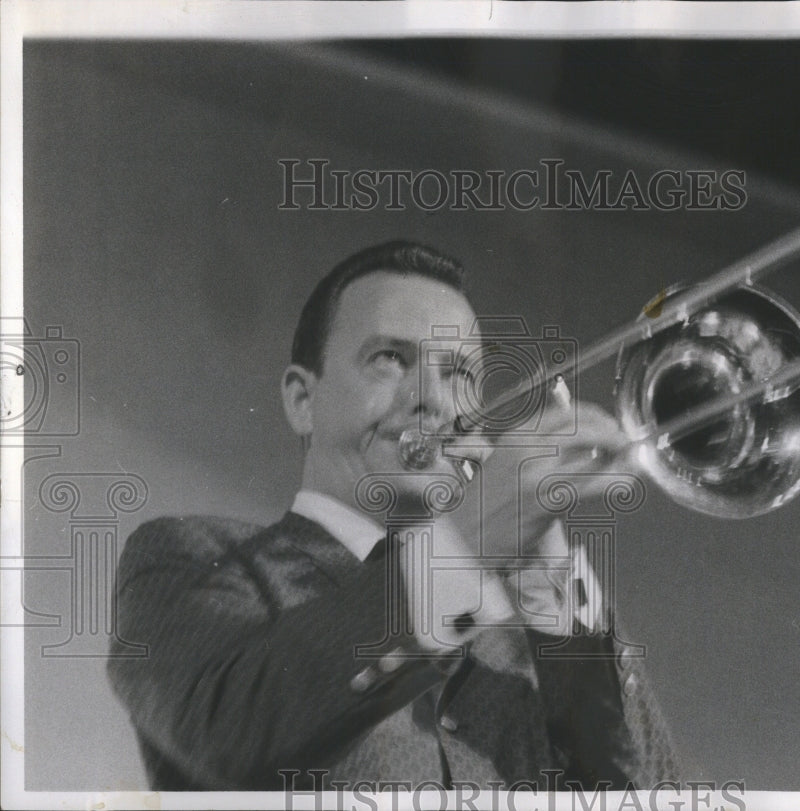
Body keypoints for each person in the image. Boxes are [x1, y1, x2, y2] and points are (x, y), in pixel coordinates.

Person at [108, 241, 678, 792]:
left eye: (459, 374)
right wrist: (471, 542)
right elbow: (226, 733)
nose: (430, 397)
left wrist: (546, 569)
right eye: (389, 359)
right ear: (302, 401)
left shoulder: (532, 634)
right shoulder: (188, 554)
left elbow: (651, 794)